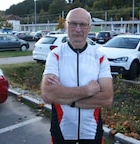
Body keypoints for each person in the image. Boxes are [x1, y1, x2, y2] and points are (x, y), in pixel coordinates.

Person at [41, 8, 114, 144]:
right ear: (66, 25)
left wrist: (68, 99)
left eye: (83, 24)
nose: (78, 29)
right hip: (61, 131)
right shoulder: (55, 55)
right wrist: (87, 90)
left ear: (89, 27)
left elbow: (107, 99)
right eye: (73, 24)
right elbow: (48, 95)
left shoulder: (100, 57)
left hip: (92, 132)